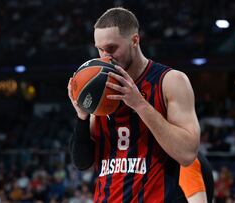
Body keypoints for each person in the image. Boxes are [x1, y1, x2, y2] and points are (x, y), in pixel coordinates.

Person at [68, 7, 200, 202]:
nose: (105, 57)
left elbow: (187, 153)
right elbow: (82, 163)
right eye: (99, 49)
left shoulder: (170, 81)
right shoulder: (101, 88)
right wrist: (82, 116)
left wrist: (140, 105)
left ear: (135, 40)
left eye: (112, 48)